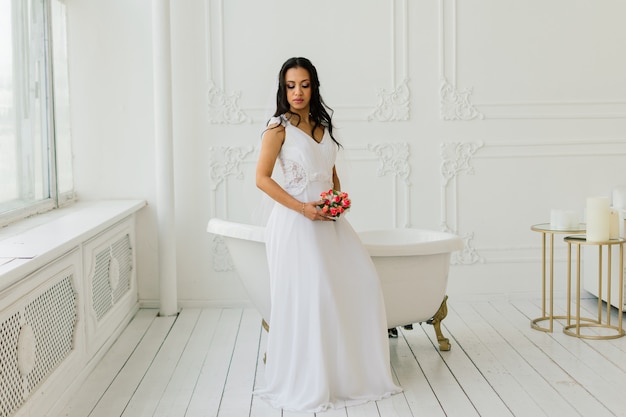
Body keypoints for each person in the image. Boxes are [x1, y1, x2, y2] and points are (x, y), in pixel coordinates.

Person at [254, 57, 402, 412]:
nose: (297, 93)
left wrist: (336, 198)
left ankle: (349, 375)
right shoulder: (278, 129)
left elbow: (329, 170)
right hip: (296, 222)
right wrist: (303, 208)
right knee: (315, 296)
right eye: (291, 86)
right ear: (282, 89)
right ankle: (312, 380)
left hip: (330, 220)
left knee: (364, 283)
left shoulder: (322, 123)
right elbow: (262, 178)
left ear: (314, 87)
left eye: (304, 85)